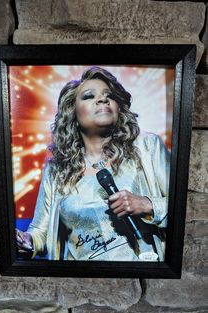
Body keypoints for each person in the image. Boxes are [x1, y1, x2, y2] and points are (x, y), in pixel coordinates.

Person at [16, 66, 170, 261]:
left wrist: (147, 204)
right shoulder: (56, 169)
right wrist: (25, 240)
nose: (102, 99)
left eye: (109, 95)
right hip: (80, 284)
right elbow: (40, 232)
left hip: (141, 277)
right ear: (72, 112)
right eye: (89, 96)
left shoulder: (147, 147)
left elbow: (187, 209)